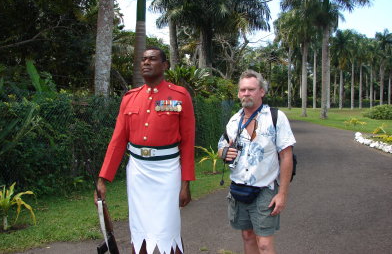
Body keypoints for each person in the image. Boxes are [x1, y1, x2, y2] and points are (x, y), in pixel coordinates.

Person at [94, 46, 195, 254]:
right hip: (138, 172)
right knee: (139, 230)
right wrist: (103, 178)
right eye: (143, 59)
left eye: (152, 59)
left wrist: (186, 183)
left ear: (165, 65)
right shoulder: (130, 97)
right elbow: (118, 141)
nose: (146, 62)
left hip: (168, 171)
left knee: (169, 232)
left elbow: (187, 142)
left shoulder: (180, 95)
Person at [218, 70, 296, 254]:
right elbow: (222, 146)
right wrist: (224, 152)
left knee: (264, 244)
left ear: (262, 91)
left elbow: (287, 157)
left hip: (265, 190)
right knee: (247, 236)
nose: (246, 93)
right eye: (243, 89)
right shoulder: (234, 121)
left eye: (251, 89)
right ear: (238, 93)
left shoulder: (275, 117)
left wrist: (282, 193)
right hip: (239, 188)